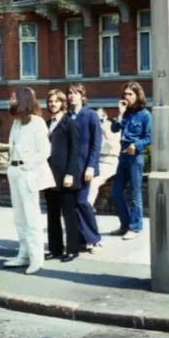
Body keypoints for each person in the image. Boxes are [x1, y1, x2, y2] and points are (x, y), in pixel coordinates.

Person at [4, 87, 56, 275]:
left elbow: (45, 151)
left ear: (23, 100)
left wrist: (28, 167)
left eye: (13, 98)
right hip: (14, 171)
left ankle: (36, 259)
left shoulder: (37, 122)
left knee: (31, 216)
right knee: (19, 217)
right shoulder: (16, 123)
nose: (10, 101)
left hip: (27, 173)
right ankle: (23, 254)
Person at [43, 89, 82, 263]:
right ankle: (55, 249)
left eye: (56, 101)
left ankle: (73, 250)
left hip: (66, 176)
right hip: (49, 176)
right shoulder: (46, 124)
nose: (53, 104)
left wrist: (70, 174)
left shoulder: (70, 123)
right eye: (50, 101)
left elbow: (75, 151)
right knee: (52, 214)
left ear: (63, 103)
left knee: (69, 215)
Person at [110, 82, 152, 240]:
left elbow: (149, 137)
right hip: (123, 156)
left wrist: (137, 145)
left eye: (130, 94)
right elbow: (114, 129)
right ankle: (125, 224)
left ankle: (135, 227)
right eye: (125, 94)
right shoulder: (125, 113)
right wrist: (120, 113)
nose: (127, 97)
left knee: (135, 193)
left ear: (138, 96)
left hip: (136, 156)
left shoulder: (145, 115)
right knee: (116, 193)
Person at [65, 83, 103, 251]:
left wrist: (91, 166)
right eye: (69, 93)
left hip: (85, 167)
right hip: (69, 168)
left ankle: (94, 238)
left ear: (82, 96)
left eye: (75, 93)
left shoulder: (90, 115)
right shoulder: (67, 116)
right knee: (72, 204)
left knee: (82, 201)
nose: (72, 96)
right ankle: (80, 239)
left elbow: (96, 143)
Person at [87, 108, 121, 211]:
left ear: (105, 116)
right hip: (96, 160)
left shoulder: (112, 127)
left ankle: (88, 207)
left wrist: (104, 131)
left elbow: (114, 145)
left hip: (109, 160)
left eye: (99, 117)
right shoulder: (92, 128)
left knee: (94, 182)